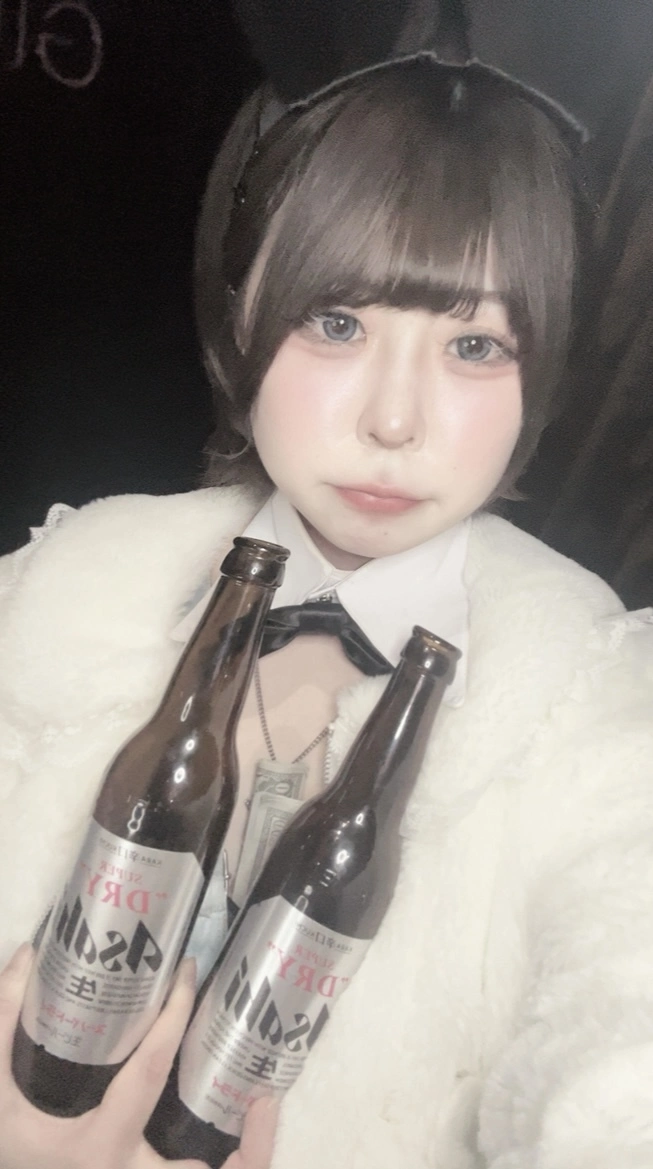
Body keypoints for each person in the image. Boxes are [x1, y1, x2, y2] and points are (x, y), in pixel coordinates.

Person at [1, 54, 652, 1169]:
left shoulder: (592, 705)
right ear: (242, 318)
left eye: (474, 346)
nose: (394, 420)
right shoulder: (65, 586)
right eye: (337, 323)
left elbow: (621, 1029)